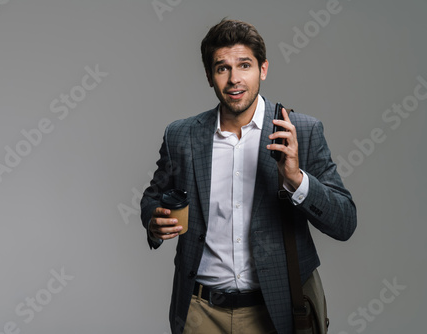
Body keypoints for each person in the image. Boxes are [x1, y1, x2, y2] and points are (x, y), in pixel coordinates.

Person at [140, 19, 357, 334]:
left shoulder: (302, 131)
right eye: (222, 68)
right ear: (209, 76)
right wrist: (154, 221)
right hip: (201, 313)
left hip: (277, 312)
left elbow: (345, 223)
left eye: (244, 65)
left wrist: (296, 179)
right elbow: (152, 197)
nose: (234, 79)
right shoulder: (181, 135)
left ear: (263, 69)